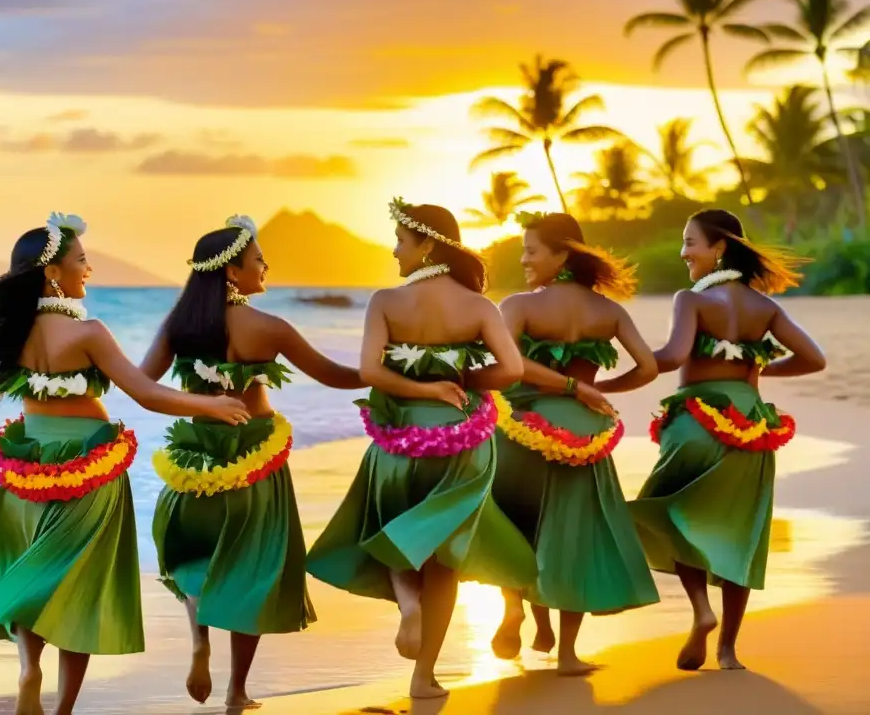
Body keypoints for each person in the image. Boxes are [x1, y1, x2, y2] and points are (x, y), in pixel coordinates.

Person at [0, 213, 249, 715]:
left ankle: (28, 667)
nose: (89, 269)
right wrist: (211, 404)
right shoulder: (88, 332)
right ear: (51, 274)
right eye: (80, 260)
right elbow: (145, 393)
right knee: (79, 586)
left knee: (34, 573)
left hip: (31, 461)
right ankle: (62, 710)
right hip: (88, 463)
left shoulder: (11, 333)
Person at [306, 198, 537, 700]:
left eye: (400, 241)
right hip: (461, 441)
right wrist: (456, 382)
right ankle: (424, 675)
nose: (393, 251)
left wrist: (419, 389)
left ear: (426, 244)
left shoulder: (385, 302)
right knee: (444, 561)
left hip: (400, 440)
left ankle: (407, 604)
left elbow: (370, 371)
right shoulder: (480, 307)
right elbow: (514, 371)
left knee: (394, 535)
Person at [141, 215, 364, 710]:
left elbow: (146, 389)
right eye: (258, 259)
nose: (266, 265)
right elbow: (332, 375)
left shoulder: (179, 326)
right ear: (231, 273)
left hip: (195, 456)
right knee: (254, 569)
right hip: (254, 456)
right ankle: (237, 690)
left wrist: (200, 405)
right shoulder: (268, 327)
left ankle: (199, 639)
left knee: (198, 554)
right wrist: (386, 372)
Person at [630, 209, 825, 671]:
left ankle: (701, 609)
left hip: (695, 421)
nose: (683, 253)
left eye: (690, 242)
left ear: (719, 248)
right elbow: (814, 358)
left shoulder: (692, 299)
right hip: (751, 426)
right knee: (742, 533)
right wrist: (757, 372)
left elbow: (675, 354)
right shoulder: (765, 307)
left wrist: (632, 366)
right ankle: (729, 651)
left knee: (673, 515)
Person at [489, 212, 659, 675]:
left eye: (531, 251)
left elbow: (511, 366)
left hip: (523, 429)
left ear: (562, 255)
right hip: (583, 435)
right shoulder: (610, 312)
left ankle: (514, 608)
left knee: (517, 524)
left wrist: (567, 390)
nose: (523, 259)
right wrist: (595, 392)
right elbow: (647, 367)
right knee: (572, 537)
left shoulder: (520, 306)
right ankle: (566, 653)